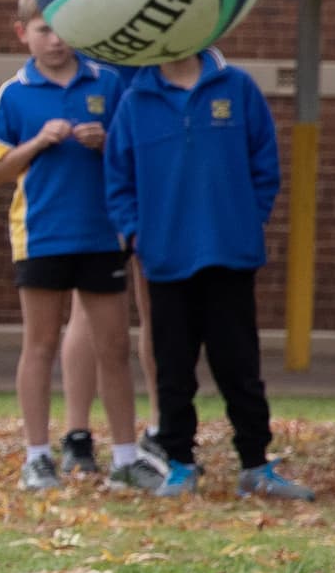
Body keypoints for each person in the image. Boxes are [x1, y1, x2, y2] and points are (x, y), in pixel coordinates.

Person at [104, 34, 309, 498]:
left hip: (230, 254)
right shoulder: (136, 101)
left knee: (239, 365)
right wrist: (136, 232)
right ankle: (179, 462)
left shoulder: (237, 88)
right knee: (174, 366)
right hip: (165, 259)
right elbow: (118, 178)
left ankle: (256, 465)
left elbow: (264, 163)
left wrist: (247, 217)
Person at [0, 0, 167, 493]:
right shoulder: (14, 93)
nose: (55, 39)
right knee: (39, 344)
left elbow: (132, 154)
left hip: (101, 233)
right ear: (23, 34)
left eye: (63, 28)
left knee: (113, 346)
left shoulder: (107, 84)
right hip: (41, 235)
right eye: (43, 29)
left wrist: (104, 142)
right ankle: (38, 454)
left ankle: (127, 455)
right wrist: (38, 143)